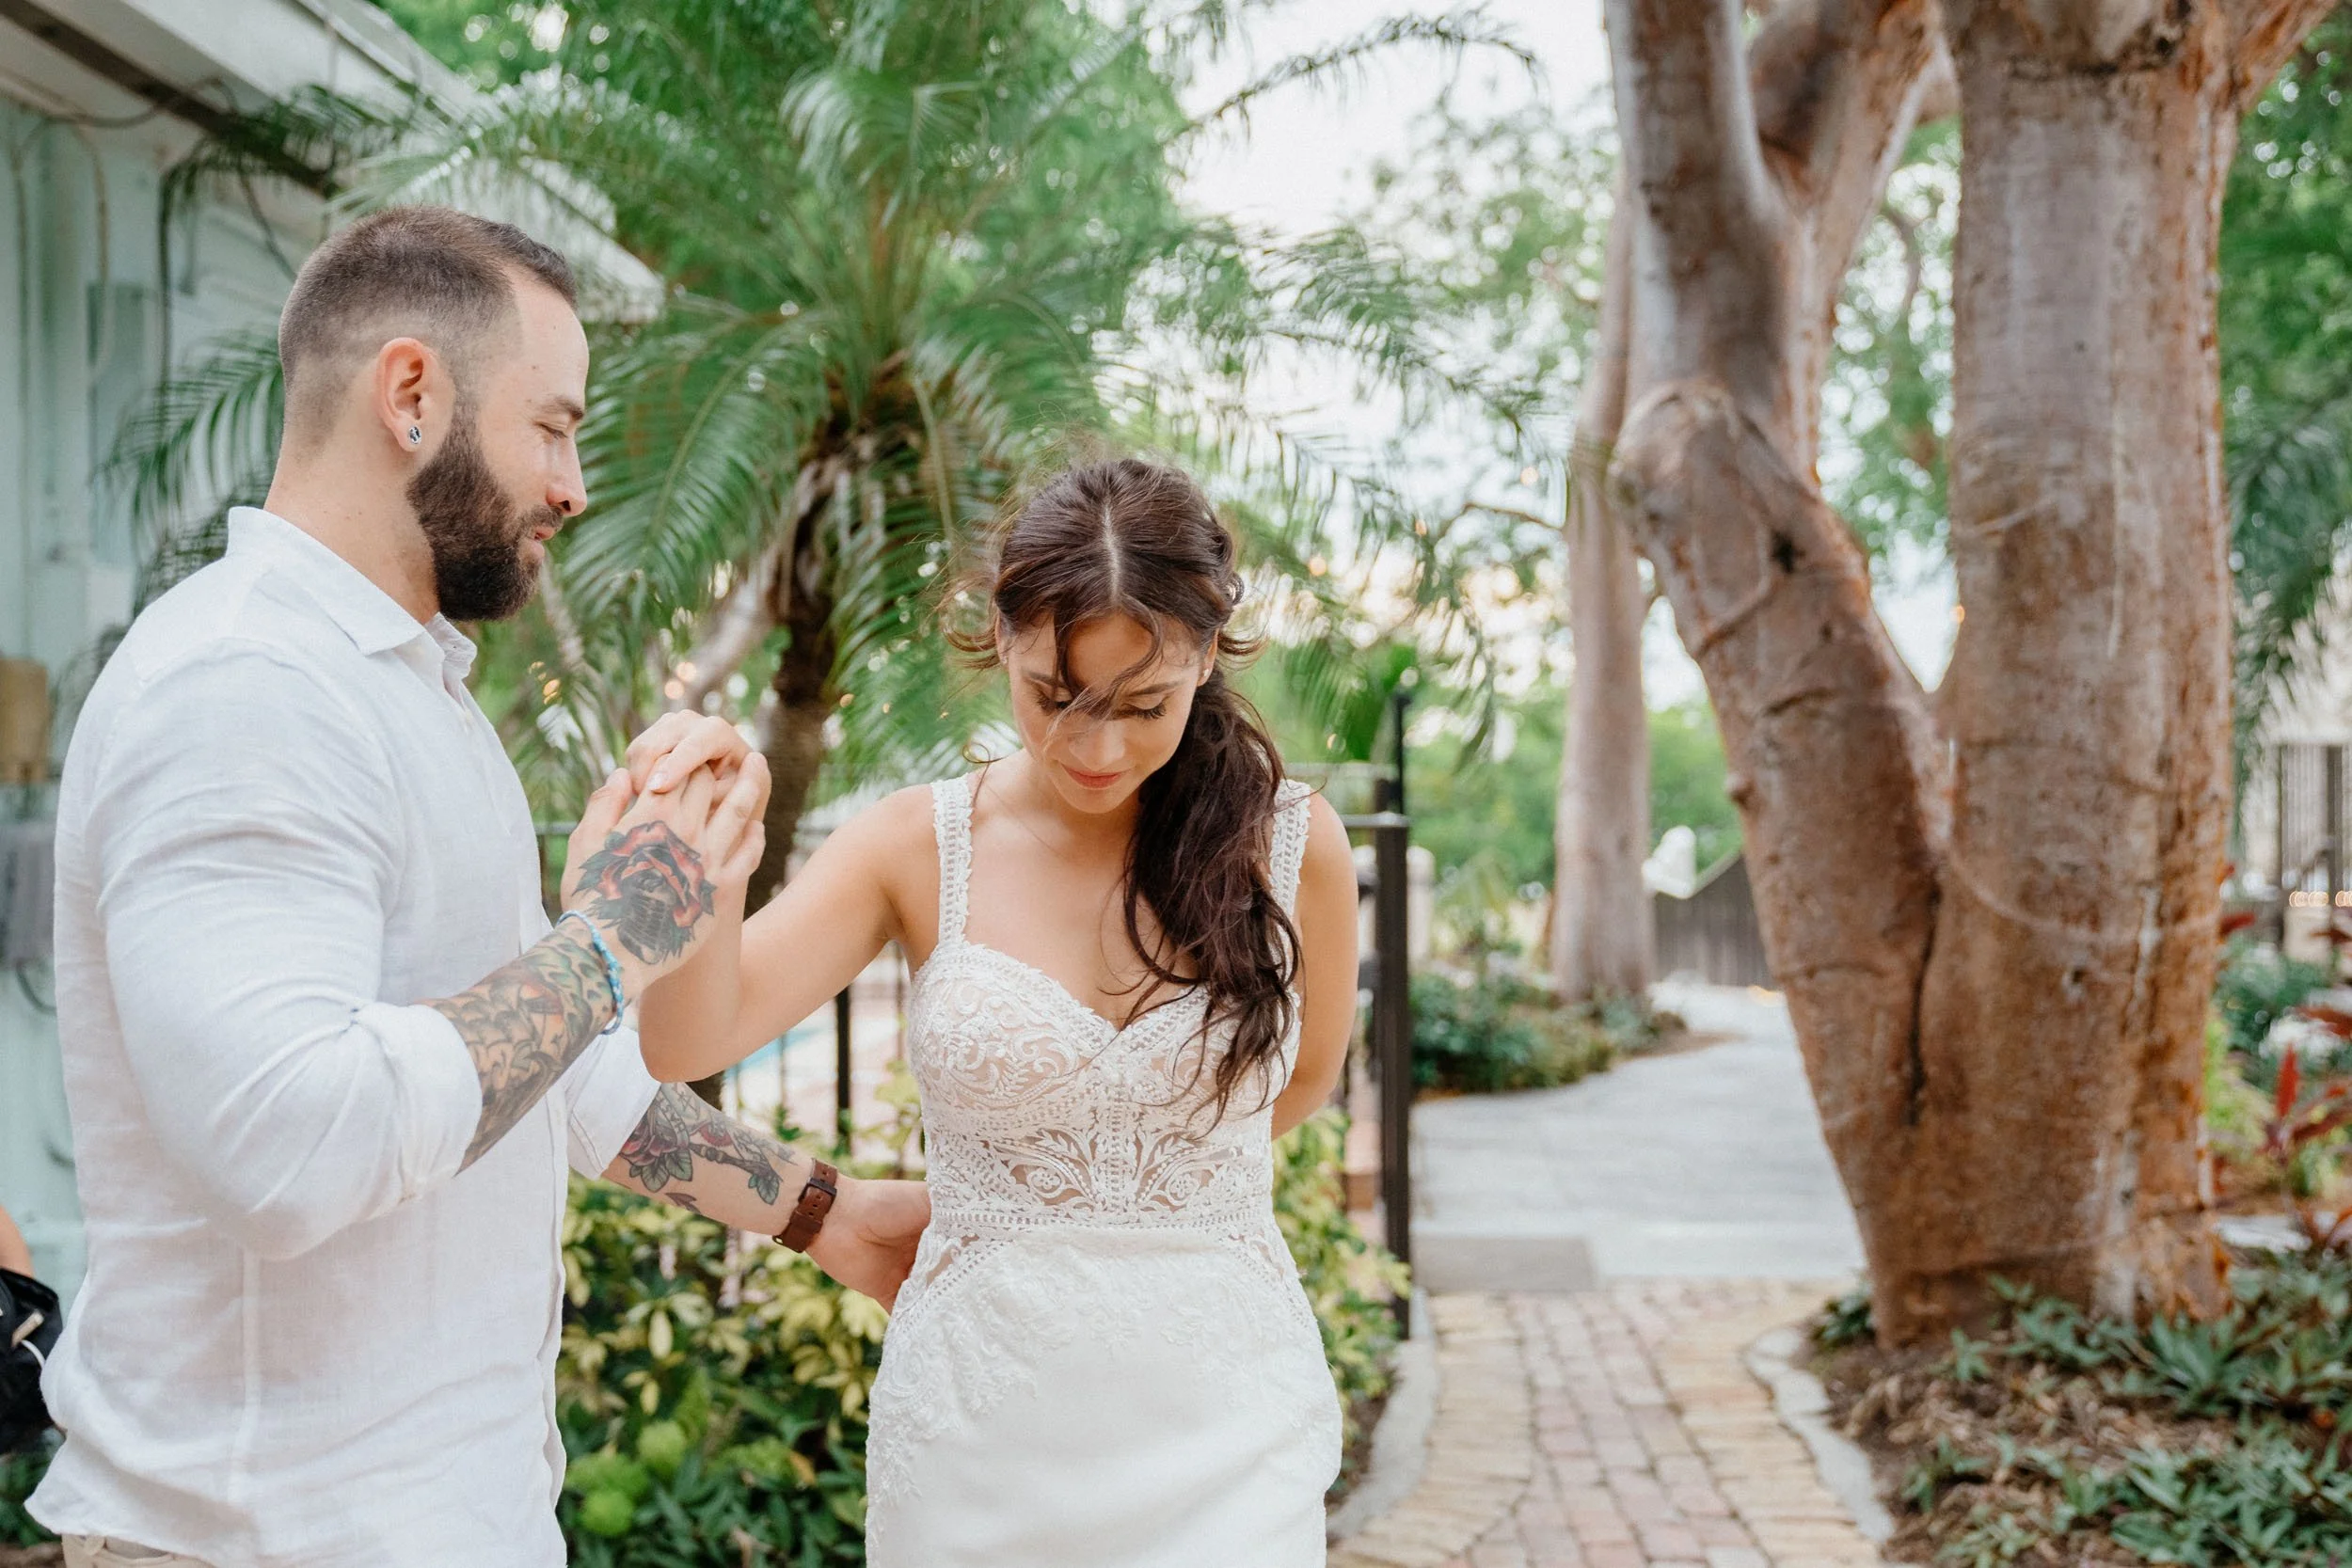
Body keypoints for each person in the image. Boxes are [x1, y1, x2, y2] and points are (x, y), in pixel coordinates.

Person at [30, 206, 927, 1568]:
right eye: (553, 426)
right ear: (411, 394)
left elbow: (551, 1077)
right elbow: (290, 1146)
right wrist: (622, 933)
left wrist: (826, 1213)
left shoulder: (407, 694)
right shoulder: (241, 688)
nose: (572, 486)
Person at [639, 457, 1362, 1567]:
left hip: (1229, 1421)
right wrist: (712, 860)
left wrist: (1135, 1180)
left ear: (1208, 654)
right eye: (1053, 695)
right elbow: (684, 1041)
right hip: (978, 1434)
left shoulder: (1292, 842)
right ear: (1002, 636)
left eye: (1144, 703)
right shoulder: (914, 844)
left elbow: (1309, 1078)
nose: (1095, 746)